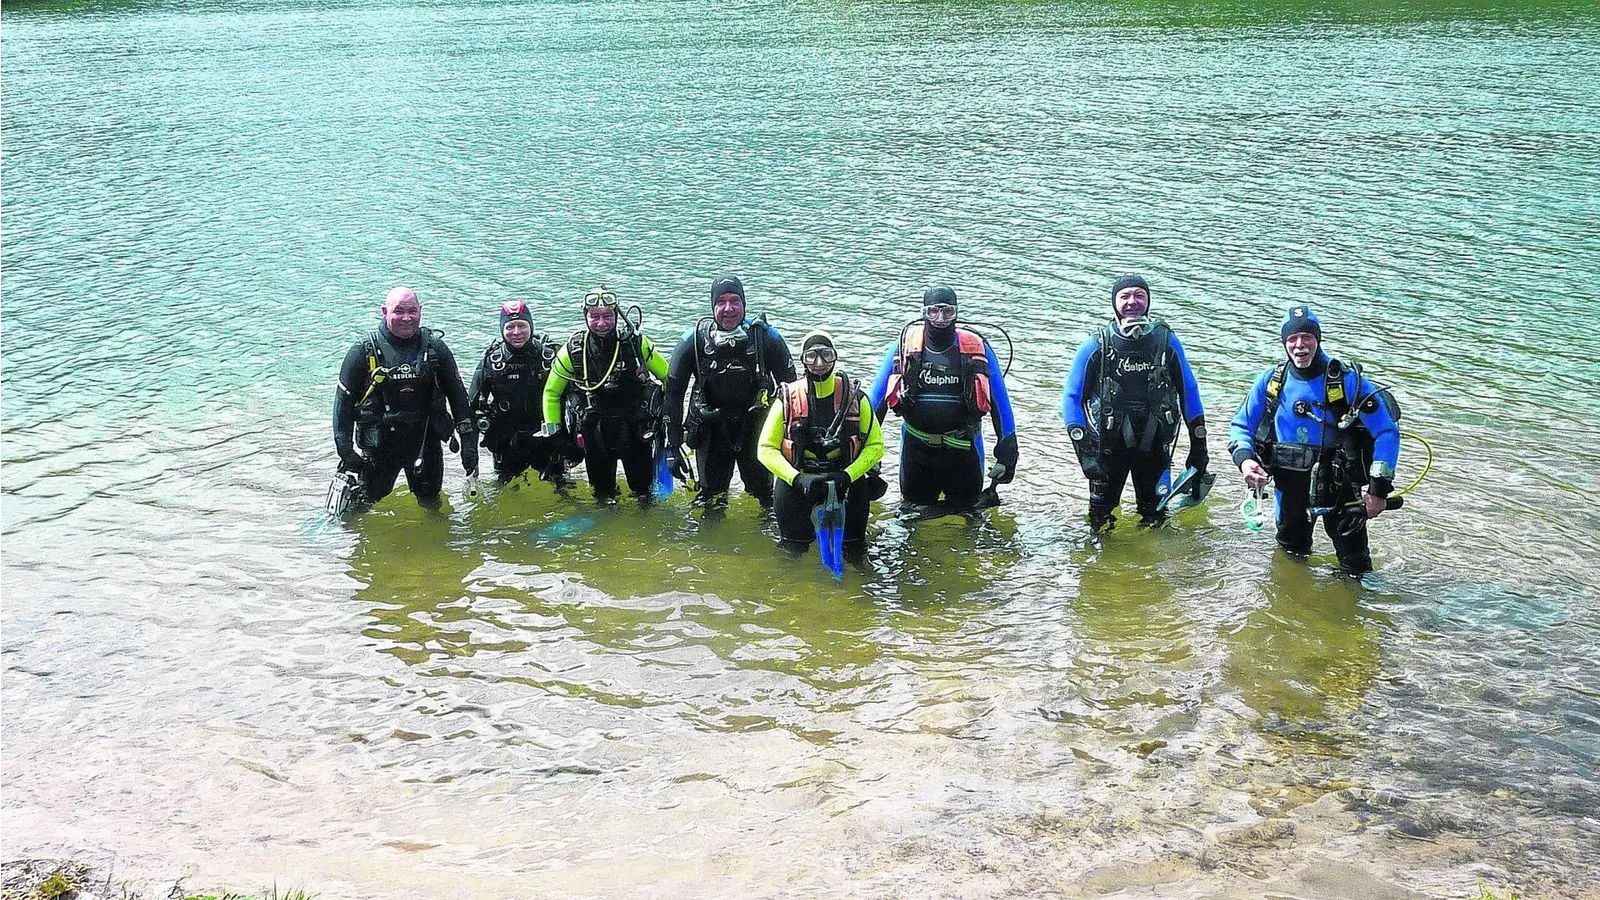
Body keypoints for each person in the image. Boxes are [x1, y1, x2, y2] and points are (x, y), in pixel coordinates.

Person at [1228, 305, 1401, 575]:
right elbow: (1241, 426)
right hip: (1289, 490)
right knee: (1290, 565)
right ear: (1284, 343)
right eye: (1292, 339)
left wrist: (1378, 491)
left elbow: (1387, 432)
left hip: (1341, 491)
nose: (1300, 345)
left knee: (1356, 569)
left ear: (1318, 339)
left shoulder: (1346, 380)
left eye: (1307, 337)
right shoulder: (1272, 380)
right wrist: (1245, 461)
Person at [1061, 274, 1208, 530]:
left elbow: (1189, 392)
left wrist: (1199, 447)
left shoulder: (1166, 341)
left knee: (1156, 519)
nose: (1133, 302)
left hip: (1154, 448)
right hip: (1107, 450)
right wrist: (1084, 454)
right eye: (1125, 296)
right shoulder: (1096, 345)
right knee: (1099, 522)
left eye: (1139, 295)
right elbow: (1072, 398)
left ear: (1148, 301)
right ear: (1114, 303)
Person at [867, 285, 1019, 508]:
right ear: (924, 312)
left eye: (948, 311)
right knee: (912, 516)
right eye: (934, 311)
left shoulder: (978, 349)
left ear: (956, 313)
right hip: (916, 450)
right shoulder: (903, 347)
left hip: (965, 451)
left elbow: (1001, 403)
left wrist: (1008, 453)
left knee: (968, 519)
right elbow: (875, 403)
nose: (940, 318)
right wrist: (868, 452)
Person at [332, 286, 477, 509]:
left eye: (412, 311)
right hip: (378, 448)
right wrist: (345, 449)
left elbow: (458, 398)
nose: (406, 318)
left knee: (432, 508)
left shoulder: (435, 349)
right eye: (399, 311)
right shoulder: (363, 351)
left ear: (420, 311)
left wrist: (468, 444)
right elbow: (343, 404)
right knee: (361, 510)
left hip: (425, 443)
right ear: (384, 311)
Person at [664, 275, 796, 508]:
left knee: (765, 497)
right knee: (711, 499)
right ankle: (708, 544)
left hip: (756, 429)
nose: (728, 309)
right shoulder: (693, 341)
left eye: (735, 301)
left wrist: (793, 441)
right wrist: (673, 447)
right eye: (721, 302)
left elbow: (792, 391)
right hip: (711, 431)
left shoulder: (765, 337)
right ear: (712, 306)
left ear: (744, 304)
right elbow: (674, 393)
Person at [757, 331, 885, 549]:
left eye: (826, 355)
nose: (819, 363)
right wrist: (797, 479)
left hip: (847, 484)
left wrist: (848, 475)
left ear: (835, 357)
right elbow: (765, 449)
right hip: (798, 486)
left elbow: (876, 446)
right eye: (811, 356)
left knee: (854, 552)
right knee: (792, 552)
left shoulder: (855, 398)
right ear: (802, 360)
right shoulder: (788, 399)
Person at [541, 285, 671, 500]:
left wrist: (667, 420)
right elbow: (551, 392)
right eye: (595, 316)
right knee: (602, 495)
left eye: (607, 316)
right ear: (586, 316)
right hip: (595, 434)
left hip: (636, 431)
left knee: (643, 494)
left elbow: (668, 378)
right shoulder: (573, 350)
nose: (601, 323)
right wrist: (555, 434)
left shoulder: (635, 343)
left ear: (616, 316)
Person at [468, 300, 566, 482]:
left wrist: (571, 443)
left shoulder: (550, 357)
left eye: (522, 325)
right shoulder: (492, 361)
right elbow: (470, 408)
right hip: (507, 442)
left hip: (547, 440)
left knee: (561, 495)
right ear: (501, 329)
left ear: (531, 325)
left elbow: (573, 398)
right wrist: (471, 455)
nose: (516, 332)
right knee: (505, 498)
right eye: (510, 327)